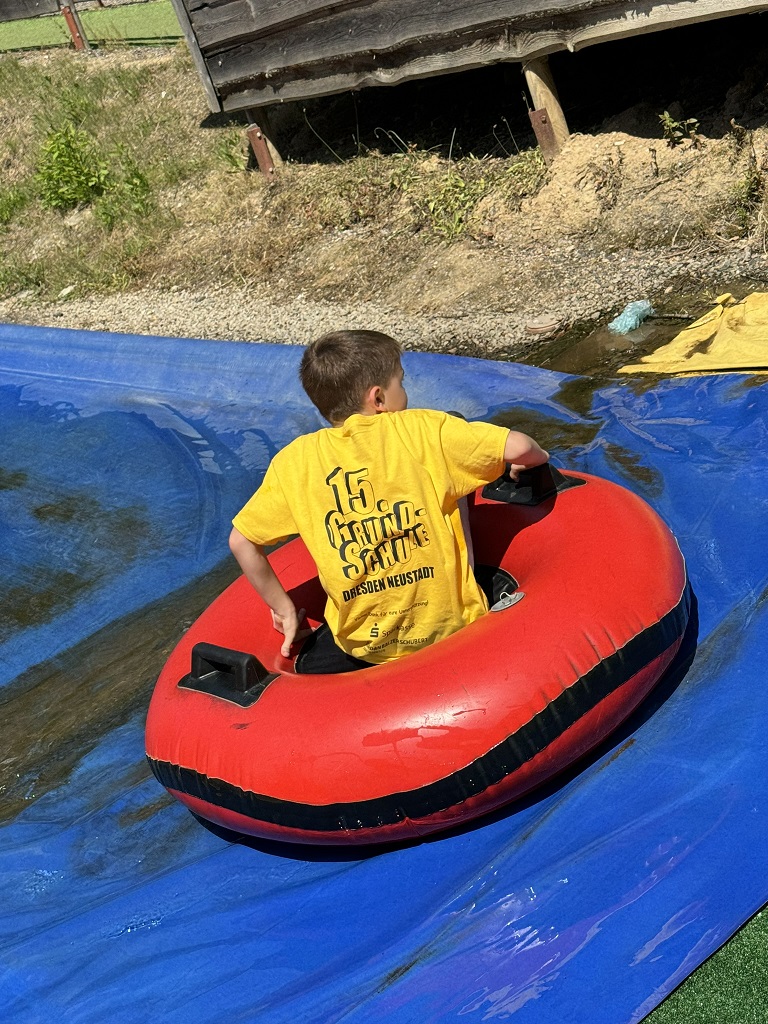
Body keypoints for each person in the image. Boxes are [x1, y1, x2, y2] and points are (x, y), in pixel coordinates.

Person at [229, 330, 548, 673]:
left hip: (364, 646)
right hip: (449, 627)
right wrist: (534, 458)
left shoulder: (294, 463)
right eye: (401, 382)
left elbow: (241, 540)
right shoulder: (423, 428)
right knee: (450, 462)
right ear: (378, 398)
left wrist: (286, 609)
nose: (405, 392)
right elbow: (520, 448)